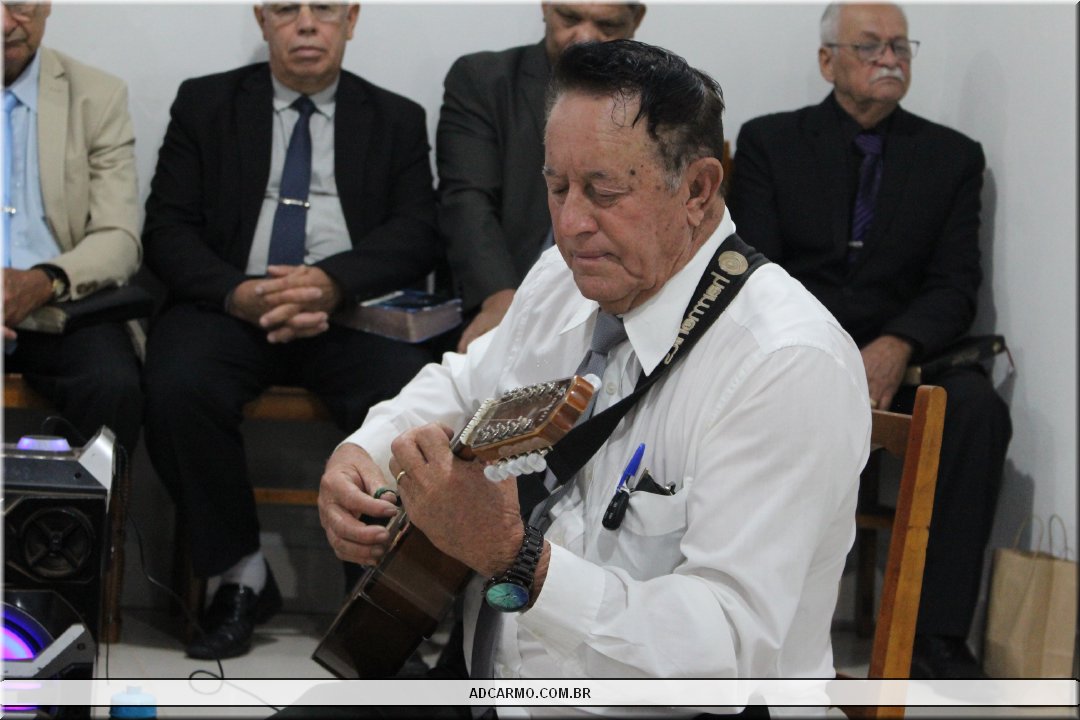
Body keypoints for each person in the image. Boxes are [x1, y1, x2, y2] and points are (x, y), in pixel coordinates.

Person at [311, 40, 870, 718]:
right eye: (557, 188)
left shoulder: (785, 363)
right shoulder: (563, 276)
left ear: (698, 190)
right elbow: (465, 386)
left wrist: (516, 558)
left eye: (604, 192)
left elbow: (728, 648)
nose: (572, 224)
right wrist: (363, 453)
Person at [140, 2, 439, 660]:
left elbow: (418, 233)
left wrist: (332, 283)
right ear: (263, 21)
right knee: (176, 384)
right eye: (286, 8)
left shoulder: (395, 117)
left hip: (348, 312)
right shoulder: (206, 105)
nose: (306, 24)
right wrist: (238, 292)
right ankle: (240, 576)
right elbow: (166, 228)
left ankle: (373, 593)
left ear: (351, 20)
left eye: (323, 9)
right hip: (232, 306)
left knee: (410, 394)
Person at [728, 2, 1012, 679]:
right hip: (797, 348)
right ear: (828, 61)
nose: (890, 59)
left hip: (904, 358)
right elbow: (755, 267)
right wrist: (824, 350)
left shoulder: (952, 157)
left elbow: (955, 286)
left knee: (977, 410)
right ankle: (758, 621)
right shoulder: (770, 142)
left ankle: (933, 638)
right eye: (871, 46)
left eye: (900, 47)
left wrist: (896, 344)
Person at [437, 2, 646, 352]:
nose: (585, 37)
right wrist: (499, 296)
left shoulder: (656, 100)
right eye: (570, 18)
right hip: (507, 290)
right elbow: (467, 200)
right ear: (546, 6)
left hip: (620, 304)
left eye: (607, 26)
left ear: (636, 20)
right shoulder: (483, 80)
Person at [2, 1, 142, 457]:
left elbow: (119, 237)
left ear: (45, 6)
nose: (5, 23)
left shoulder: (97, 96)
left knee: (112, 384)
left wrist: (44, 280)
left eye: (18, 4)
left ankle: (82, 509)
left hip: (61, 302)